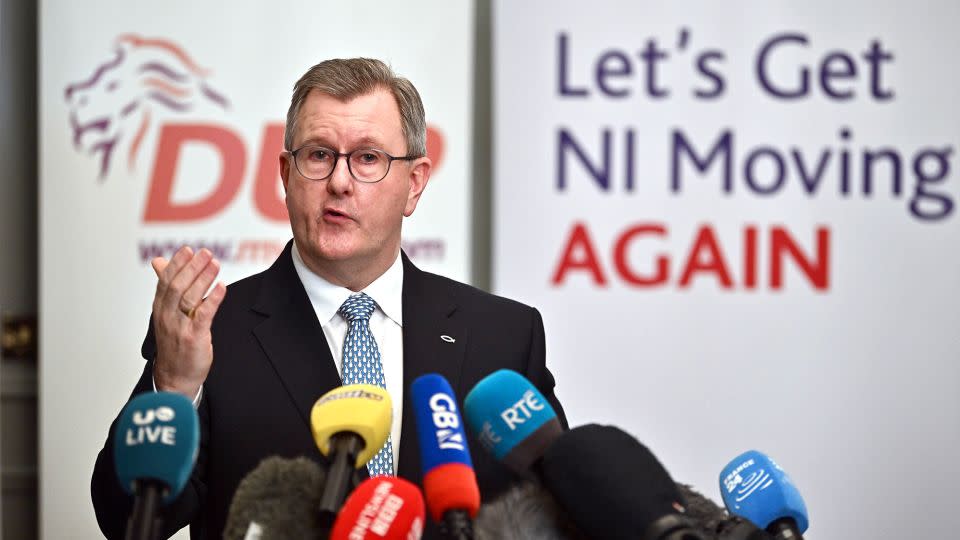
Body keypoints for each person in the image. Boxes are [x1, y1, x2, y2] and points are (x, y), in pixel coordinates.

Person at [90, 58, 566, 539]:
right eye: (319, 155)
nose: (339, 181)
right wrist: (174, 386)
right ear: (285, 174)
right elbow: (125, 520)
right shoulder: (211, 331)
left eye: (368, 158)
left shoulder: (502, 336)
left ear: (414, 184)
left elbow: (558, 512)